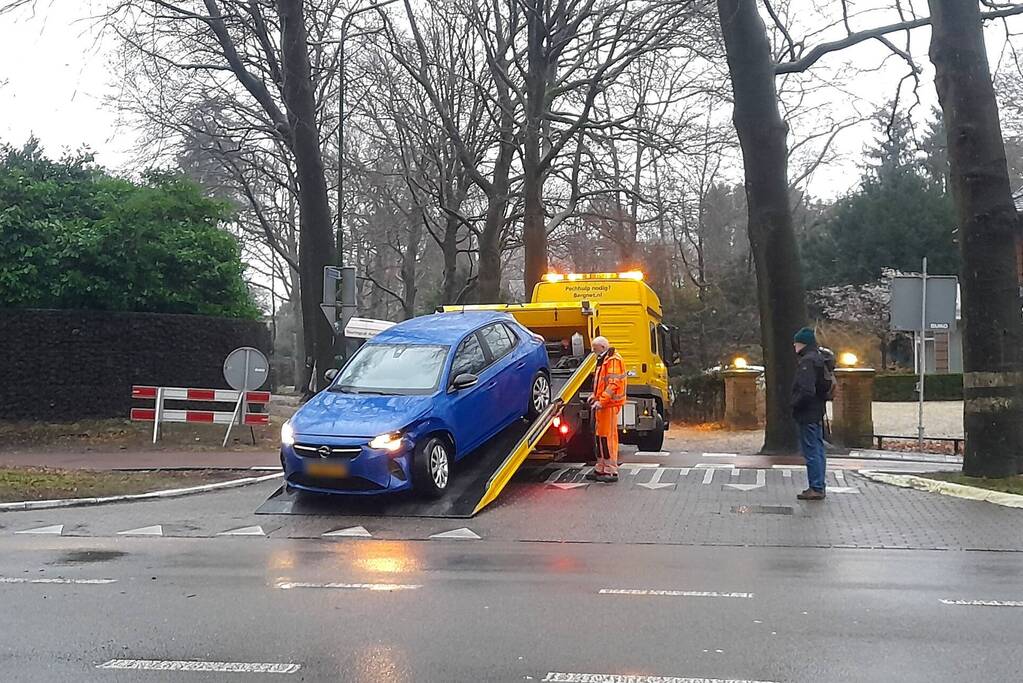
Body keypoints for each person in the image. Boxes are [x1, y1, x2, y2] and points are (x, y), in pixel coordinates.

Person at [792, 327, 829, 501]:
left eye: (796, 343)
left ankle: (816, 487)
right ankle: (819, 484)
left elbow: (806, 390)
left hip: (807, 412)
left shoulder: (807, 362)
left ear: (801, 344)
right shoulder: (820, 359)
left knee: (811, 449)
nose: (794, 347)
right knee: (818, 447)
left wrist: (794, 404)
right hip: (818, 409)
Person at [585, 336, 627, 483]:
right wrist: (595, 396)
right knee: (601, 436)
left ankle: (611, 470)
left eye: (595, 349)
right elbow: (602, 383)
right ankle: (602, 467)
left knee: (607, 437)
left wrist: (601, 400)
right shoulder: (605, 359)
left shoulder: (612, 360)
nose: (593, 352)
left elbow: (613, 384)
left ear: (602, 347)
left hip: (608, 406)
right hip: (604, 405)